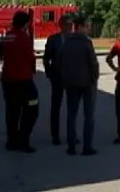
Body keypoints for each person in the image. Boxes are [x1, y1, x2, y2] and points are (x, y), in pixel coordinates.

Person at [58, 15, 99, 156]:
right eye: (87, 26)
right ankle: (87, 147)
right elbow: (93, 63)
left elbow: (59, 62)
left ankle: (71, 147)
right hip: (87, 83)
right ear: (80, 26)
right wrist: (95, 78)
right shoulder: (86, 42)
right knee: (88, 116)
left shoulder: (66, 42)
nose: (89, 29)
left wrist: (65, 78)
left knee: (71, 115)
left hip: (71, 83)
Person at [0, 11, 39, 153]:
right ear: (26, 23)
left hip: (7, 80)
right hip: (23, 81)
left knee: (12, 112)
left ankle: (11, 141)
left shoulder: (7, 36)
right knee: (32, 109)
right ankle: (23, 141)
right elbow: (31, 57)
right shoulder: (23, 37)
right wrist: (33, 71)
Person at [43, 15, 72, 145]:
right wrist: (49, 73)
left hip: (72, 78)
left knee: (73, 107)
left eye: (71, 24)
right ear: (61, 25)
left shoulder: (74, 39)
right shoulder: (53, 39)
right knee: (56, 107)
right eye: (67, 24)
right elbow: (46, 58)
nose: (70, 27)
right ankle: (55, 135)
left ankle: (72, 135)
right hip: (58, 77)